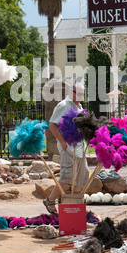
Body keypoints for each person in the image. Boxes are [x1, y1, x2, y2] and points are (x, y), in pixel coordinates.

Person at [43, 83, 89, 214]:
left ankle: (75, 205)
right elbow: (52, 125)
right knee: (67, 176)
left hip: (80, 147)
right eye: (79, 94)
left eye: (82, 94)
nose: (81, 97)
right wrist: (62, 142)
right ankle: (50, 200)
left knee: (82, 174)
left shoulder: (79, 106)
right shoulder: (63, 105)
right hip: (67, 146)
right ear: (72, 92)